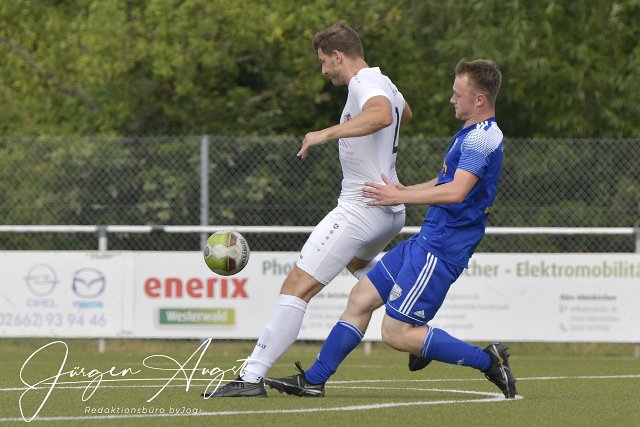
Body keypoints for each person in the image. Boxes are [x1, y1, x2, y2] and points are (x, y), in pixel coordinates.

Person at [265, 59, 517, 399]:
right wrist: (403, 190)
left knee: (396, 334)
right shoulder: (472, 133)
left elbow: (457, 192)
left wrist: (400, 196)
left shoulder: (481, 139)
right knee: (361, 297)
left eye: (458, 95)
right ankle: (313, 380)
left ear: (480, 100)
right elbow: (447, 181)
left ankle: (488, 360)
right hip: (427, 240)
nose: (452, 100)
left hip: (442, 249)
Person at [203, 22, 412, 397]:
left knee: (296, 287)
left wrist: (325, 133)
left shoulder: (364, 83)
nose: (324, 70)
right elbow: (402, 113)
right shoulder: (384, 81)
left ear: (338, 56)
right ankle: (412, 313)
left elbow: (382, 115)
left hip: (361, 208)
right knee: (360, 269)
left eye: (323, 61)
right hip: (388, 208)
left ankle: (250, 378)